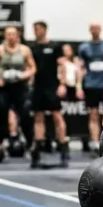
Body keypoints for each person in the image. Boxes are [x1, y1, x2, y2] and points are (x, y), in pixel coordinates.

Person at [28, 21, 70, 168]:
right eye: (34, 29)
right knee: (38, 118)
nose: (36, 32)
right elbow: (30, 68)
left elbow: (62, 65)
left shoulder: (55, 46)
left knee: (57, 116)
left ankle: (63, 147)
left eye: (38, 29)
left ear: (45, 30)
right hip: (38, 87)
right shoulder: (32, 48)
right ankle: (38, 150)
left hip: (52, 86)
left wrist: (62, 84)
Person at [0, 25, 36, 150]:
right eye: (8, 34)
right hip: (4, 87)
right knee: (2, 112)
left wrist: (23, 75)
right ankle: (0, 141)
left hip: (20, 87)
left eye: (13, 34)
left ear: (18, 36)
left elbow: (32, 68)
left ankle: (30, 142)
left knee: (25, 114)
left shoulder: (24, 50)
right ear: (5, 36)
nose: (11, 37)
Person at [77, 23, 103, 153]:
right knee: (93, 115)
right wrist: (79, 86)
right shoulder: (84, 47)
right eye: (93, 29)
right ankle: (95, 142)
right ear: (90, 30)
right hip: (91, 85)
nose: (95, 31)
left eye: (97, 28)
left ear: (100, 30)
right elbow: (81, 67)